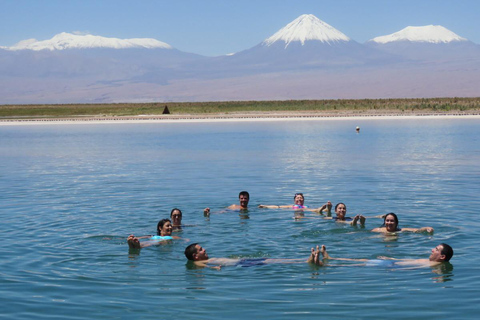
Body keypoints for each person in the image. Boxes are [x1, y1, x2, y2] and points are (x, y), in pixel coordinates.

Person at [184, 243, 324, 269]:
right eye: (201, 249)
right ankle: (304, 261)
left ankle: (304, 260)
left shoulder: (207, 259)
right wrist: (213, 269)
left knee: (270, 260)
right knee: (272, 262)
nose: (204, 249)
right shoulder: (197, 263)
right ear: (195, 256)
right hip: (241, 265)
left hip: (243, 261)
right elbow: (201, 266)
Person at [320, 243, 453, 267]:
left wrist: (394, 266)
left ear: (442, 257)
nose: (432, 250)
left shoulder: (435, 266)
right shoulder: (430, 263)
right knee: (363, 260)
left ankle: (329, 264)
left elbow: (414, 267)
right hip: (392, 264)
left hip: (392, 267)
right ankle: (331, 259)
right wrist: (392, 259)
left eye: (436, 249)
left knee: (360, 264)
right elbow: (412, 261)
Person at [258, 193, 331, 213]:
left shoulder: (306, 206)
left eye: (301, 198)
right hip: (296, 212)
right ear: (294, 200)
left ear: (303, 200)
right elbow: (277, 207)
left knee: (314, 210)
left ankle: (326, 209)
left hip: (305, 211)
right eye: (297, 198)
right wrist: (265, 206)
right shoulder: (291, 206)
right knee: (315, 211)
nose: (299, 199)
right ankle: (323, 210)